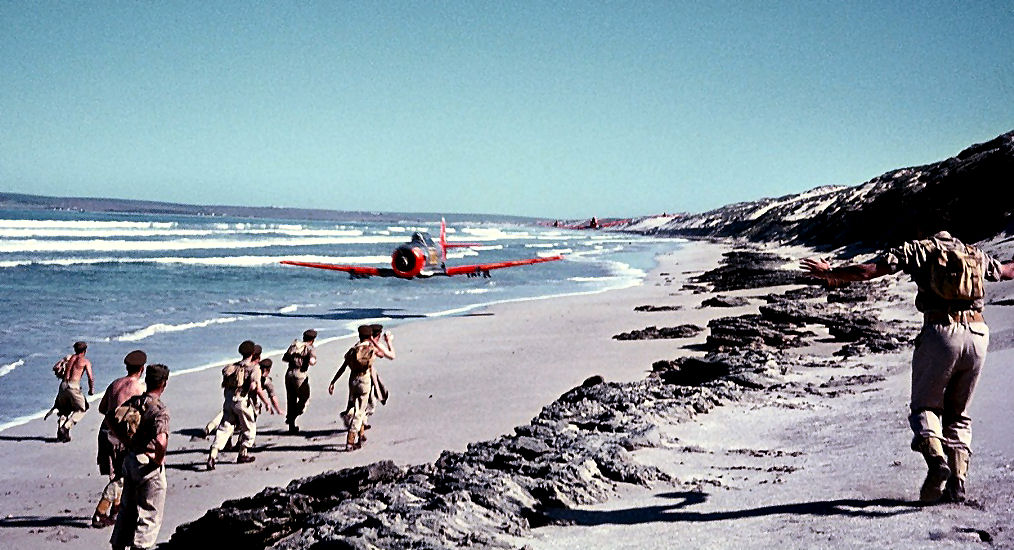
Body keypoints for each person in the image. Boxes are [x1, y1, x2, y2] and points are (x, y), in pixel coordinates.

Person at [802, 230, 1014, 503]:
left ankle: (937, 461)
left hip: (941, 331)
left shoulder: (920, 249)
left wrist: (830, 272)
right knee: (959, 412)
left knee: (926, 406)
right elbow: (1007, 272)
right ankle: (958, 481)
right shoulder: (974, 253)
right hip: (979, 334)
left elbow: (869, 271)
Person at [109, 363, 170, 550]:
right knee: (150, 513)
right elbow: (161, 440)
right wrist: (159, 459)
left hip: (131, 458)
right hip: (147, 463)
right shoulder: (159, 409)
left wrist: (127, 443)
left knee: (127, 508)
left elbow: (111, 420)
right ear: (164, 384)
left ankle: (118, 544)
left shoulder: (134, 402)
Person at [92, 350, 147, 528]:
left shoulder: (115, 384)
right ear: (142, 368)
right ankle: (100, 513)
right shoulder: (139, 387)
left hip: (105, 430)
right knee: (122, 476)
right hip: (121, 435)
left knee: (116, 472)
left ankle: (117, 510)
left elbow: (102, 408)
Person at [207, 341, 271, 470]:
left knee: (225, 428)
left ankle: (213, 454)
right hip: (242, 401)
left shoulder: (233, 367)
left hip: (228, 401)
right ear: (253, 353)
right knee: (249, 427)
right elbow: (255, 387)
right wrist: (266, 402)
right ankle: (243, 454)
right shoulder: (254, 368)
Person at [329, 325, 389, 451]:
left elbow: (343, 367)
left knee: (352, 405)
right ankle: (350, 441)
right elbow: (383, 355)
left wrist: (333, 381)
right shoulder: (370, 349)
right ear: (370, 336)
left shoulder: (353, 350)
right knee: (360, 411)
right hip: (364, 380)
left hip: (352, 380)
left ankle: (361, 433)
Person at [54, 341, 95, 442]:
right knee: (82, 409)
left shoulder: (69, 358)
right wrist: (91, 389)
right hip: (74, 386)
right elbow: (90, 378)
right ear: (85, 351)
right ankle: (66, 427)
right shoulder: (85, 361)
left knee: (64, 410)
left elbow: (56, 367)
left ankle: (61, 427)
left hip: (63, 385)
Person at [283, 329, 317, 433]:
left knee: (291, 399)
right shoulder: (309, 348)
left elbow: (284, 359)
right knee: (304, 399)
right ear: (313, 339)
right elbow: (312, 362)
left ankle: (291, 426)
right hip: (300, 375)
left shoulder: (294, 345)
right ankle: (292, 416)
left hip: (289, 373)